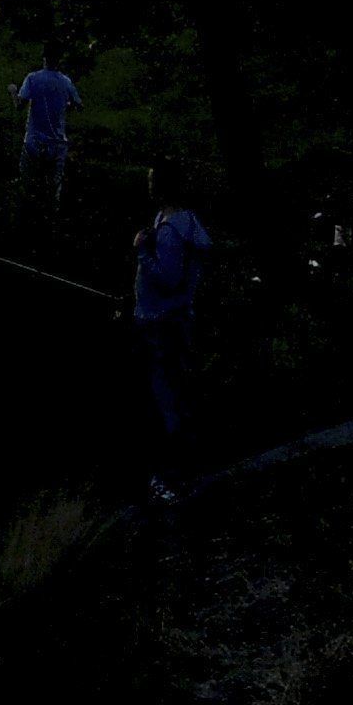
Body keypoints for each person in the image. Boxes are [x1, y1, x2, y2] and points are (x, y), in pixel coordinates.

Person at [131, 180, 217, 496]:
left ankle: (170, 475)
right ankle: (180, 467)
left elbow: (168, 279)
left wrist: (142, 251)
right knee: (174, 391)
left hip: (160, 322)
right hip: (172, 320)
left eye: (154, 180)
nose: (150, 185)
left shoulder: (169, 232)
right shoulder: (178, 223)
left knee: (164, 395)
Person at [14, 54, 81, 203]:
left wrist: (13, 91)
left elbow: (19, 105)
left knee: (28, 188)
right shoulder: (66, 82)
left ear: (44, 59)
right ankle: (50, 222)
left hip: (33, 143)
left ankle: (28, 219)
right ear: (59, 62)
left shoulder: (32, 78)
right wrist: (64, 105)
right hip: (57, 145)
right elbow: (78, 105)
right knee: (52, 193)